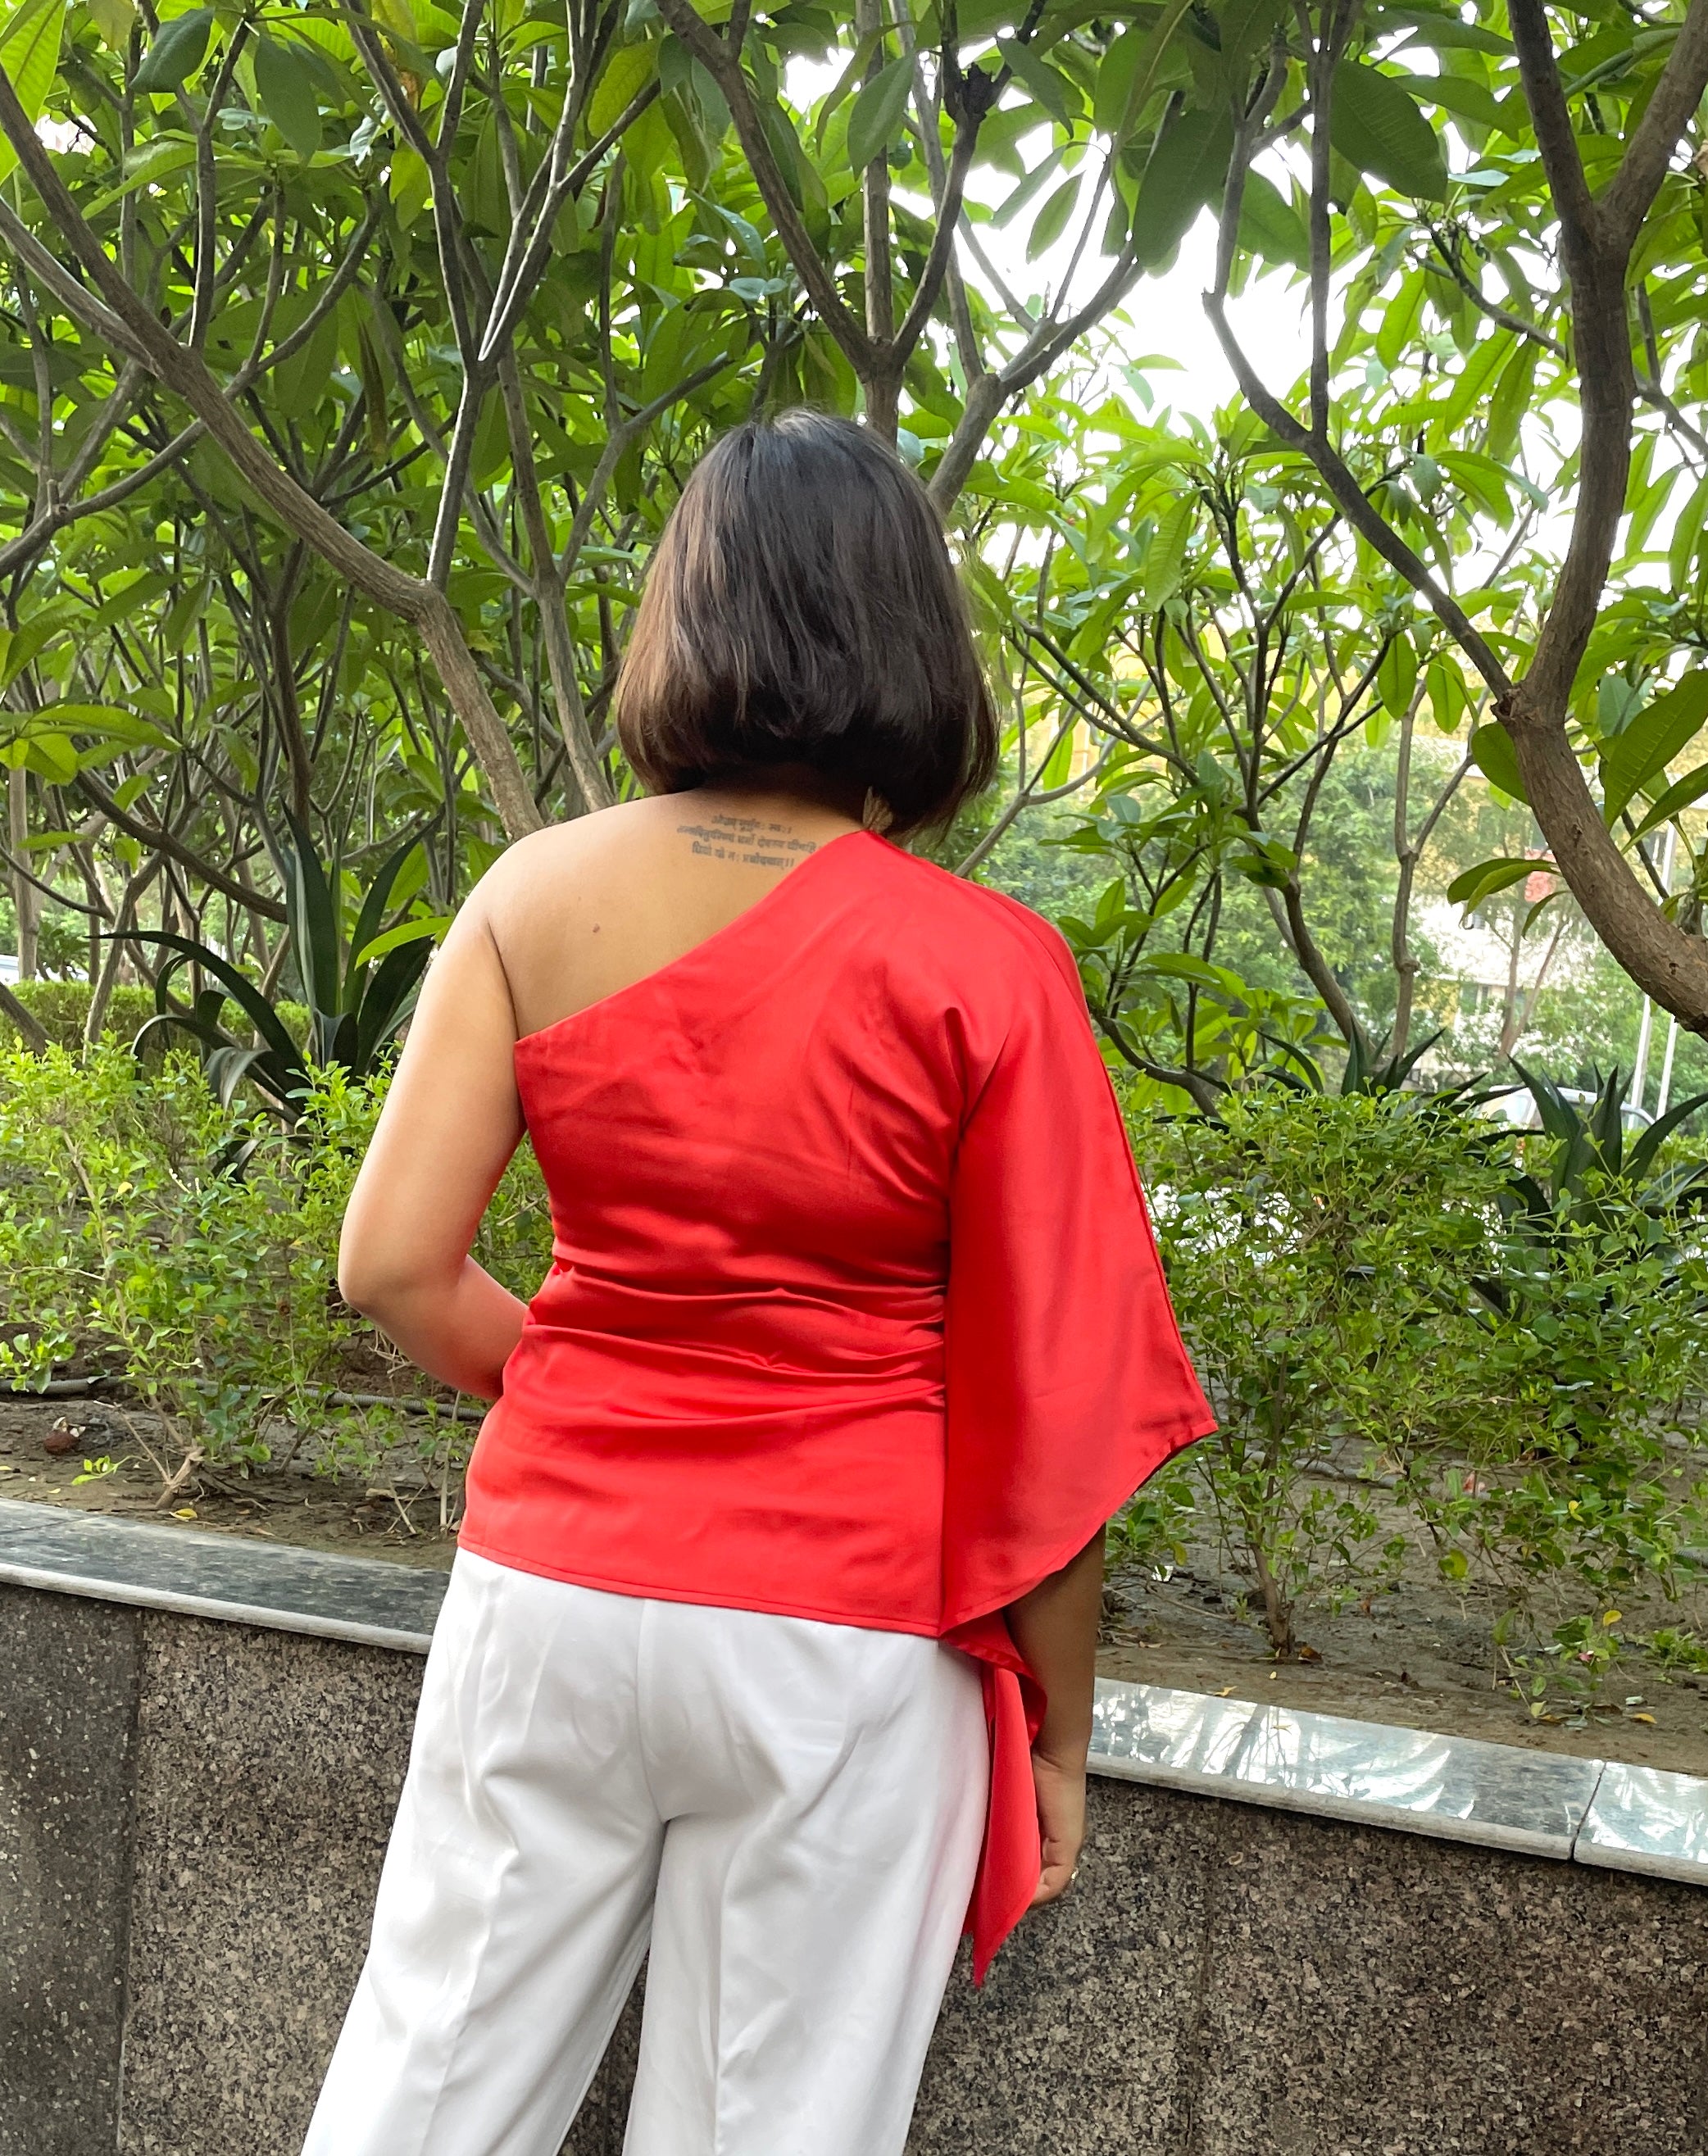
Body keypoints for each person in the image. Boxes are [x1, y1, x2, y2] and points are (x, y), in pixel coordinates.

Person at [303, 410, 1214, 2156]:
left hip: (551, 1593)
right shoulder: (987, 966)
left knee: (423, 2093)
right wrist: (1063, 1740)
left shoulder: (530, 896)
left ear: (680, 618)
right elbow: (1061, 1414)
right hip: (847, 1639)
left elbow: (394, 1263)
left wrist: (594, 1392)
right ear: (909, 643)